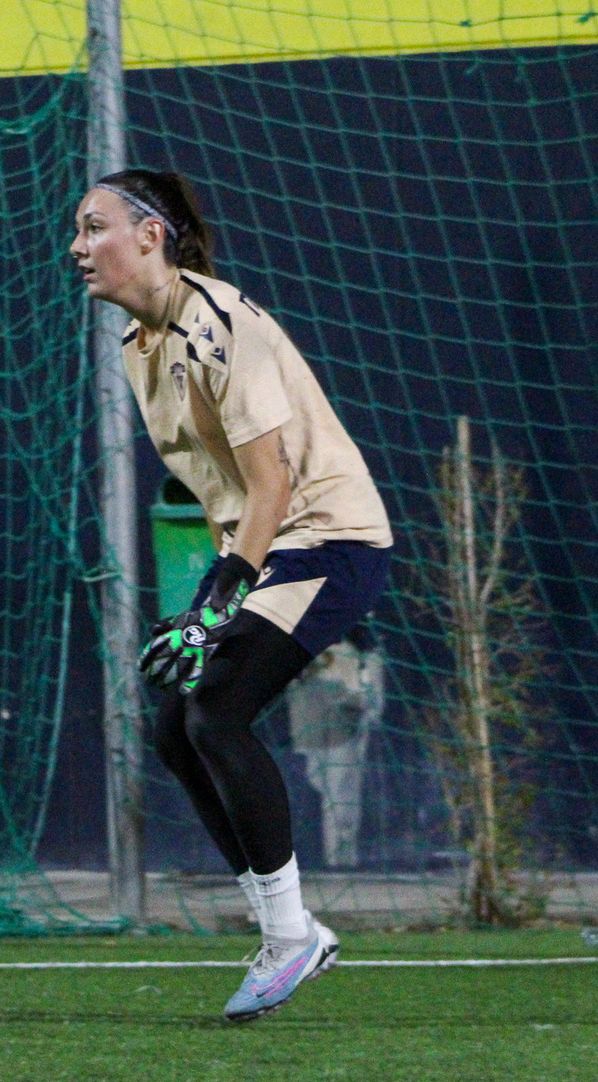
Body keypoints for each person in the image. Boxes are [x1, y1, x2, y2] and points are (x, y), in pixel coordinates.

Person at [69, 169, 393, 1022]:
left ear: (151, 236)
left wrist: (215, 605)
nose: (77, 247)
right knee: (176, 731)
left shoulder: (221, 326)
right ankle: (291, 930)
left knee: (215, 712)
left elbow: (273, 481)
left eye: (95, 227)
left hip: (330, 539)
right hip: (265, 547)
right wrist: (217, 594)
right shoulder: (138, 342)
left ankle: (289, 937)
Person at [287, 623, 385, 869]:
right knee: (324, 791)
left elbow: (371, 699)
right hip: (311, 734)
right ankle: (330, 859)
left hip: (345, 733)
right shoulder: (306, 648)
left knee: (341, 795)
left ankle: (341, 860)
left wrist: (353, 704)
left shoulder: (364, 655)